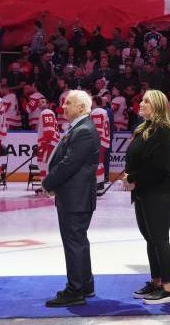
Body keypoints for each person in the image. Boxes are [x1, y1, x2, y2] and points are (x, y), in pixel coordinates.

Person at [42, 90, 100, 307]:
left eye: (68, 103)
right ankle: (85, 284)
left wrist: (48, 182)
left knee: (74, 243)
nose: (63, 107)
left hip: (76, 198)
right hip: (75, 196)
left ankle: (75, 290)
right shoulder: (80, 128)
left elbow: (69, 164)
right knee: (78, 242)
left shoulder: (84, 130)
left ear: (82, 108)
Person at [123, 89, 170, 304]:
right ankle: (156, 281)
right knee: (150, 239)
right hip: (143, 192)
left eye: (146, 101)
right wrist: (130, 177)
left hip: (159, 192)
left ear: (156, 106)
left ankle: (166, 288)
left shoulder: (163, 131)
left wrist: (133, 177)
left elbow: (160, 168)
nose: (141, 103)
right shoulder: (143, 128)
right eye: (142, 99)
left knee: (160, 239)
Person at [90, 96, 110, 194]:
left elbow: (97, 129)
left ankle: (98, 184)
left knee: (97, 163)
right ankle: (100, 183)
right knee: (100, 163)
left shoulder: (96, 112)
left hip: (98, 141)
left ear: (94, 101)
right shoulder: (103, 111)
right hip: (104, 140)